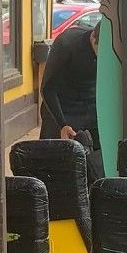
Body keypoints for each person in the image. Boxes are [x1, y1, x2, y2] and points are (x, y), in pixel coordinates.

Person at [40, 16, 102, 173]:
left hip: (91, 102)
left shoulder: (114, 50)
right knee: (54, 158)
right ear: (93, 37)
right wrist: (63, 124)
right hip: (60, 103)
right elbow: (48, 88)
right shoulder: (67, 44)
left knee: (97, 157)